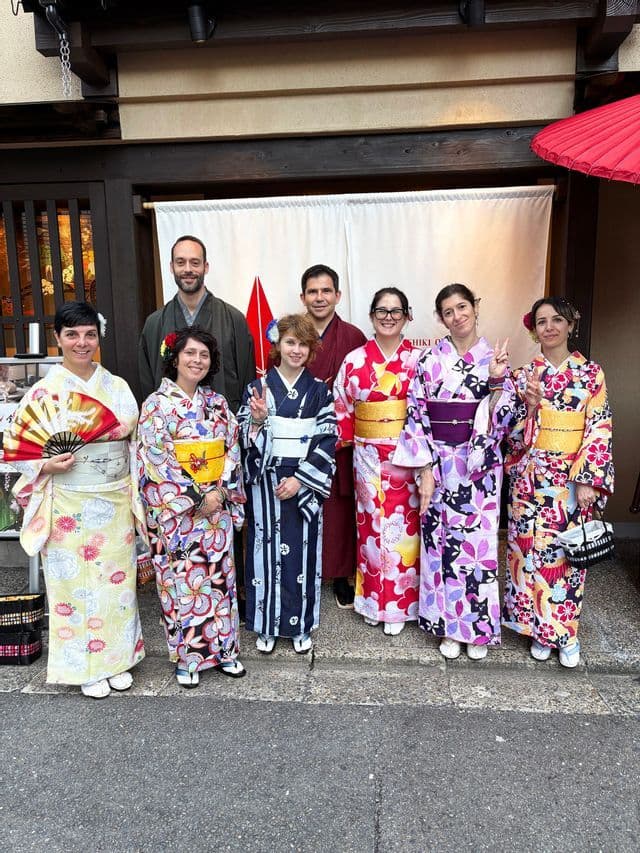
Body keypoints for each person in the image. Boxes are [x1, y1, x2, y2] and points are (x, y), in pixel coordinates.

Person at [7, 301, 145, 699]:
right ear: (58, 339)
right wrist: (46, 465)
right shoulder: (43, 392)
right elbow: (21, 449)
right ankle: (85, 665)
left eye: (89, 334)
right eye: (72, 335)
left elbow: (133, 445)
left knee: (117, 585)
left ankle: (118, 658)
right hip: (69, 502)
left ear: (98, 338)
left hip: (115, 497)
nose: (81, 343)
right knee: (76, 586)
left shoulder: (116, 387)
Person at [393, 283, 513, 660]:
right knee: (440, 545)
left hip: (478, 466)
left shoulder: (493, 357)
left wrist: (495, 381)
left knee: (476, 547)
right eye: (448, 311)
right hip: (439, 463)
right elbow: (416, 414)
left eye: (463, 307)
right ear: (440, 318)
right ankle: (447, 624)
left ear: (476, 308)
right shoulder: (430, 361)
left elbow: (506, 419)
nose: (457, 316)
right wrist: (425, 467)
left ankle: (475, 628)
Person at [502, 297, 614, 668]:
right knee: (527, 553)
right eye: (541, 321)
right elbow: (511, 432)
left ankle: (564, 634)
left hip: (569, 477)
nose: (548, 327)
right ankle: (535, 630)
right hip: (530, 476)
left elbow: (598, 426)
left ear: (570, 324)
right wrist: (530, 408)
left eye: (556, 320)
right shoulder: (523, 374)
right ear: (533, 330)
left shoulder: (590, 373)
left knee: (562, 557)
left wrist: (588, 480)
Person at [137, 327, 247, 687]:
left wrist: (220, 494)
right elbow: (155, 459)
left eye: (204, 355)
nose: (197, 360)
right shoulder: (156, 405)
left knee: (219, 581)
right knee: (182, 585)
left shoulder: (216, 404)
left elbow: (232, 451)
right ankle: (188, 658)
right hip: (179, 513)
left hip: (215, 510)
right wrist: (197, 497)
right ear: (175, 358)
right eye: (190, 354)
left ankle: (226, 651)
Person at [238, 313, 336, 655]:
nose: (296, 350)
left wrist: (300, 479)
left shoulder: (320, 391)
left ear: (311, 350)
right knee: (264, 552)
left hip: (303, 481)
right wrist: (259, 421)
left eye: (303, 344)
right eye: (290, 342)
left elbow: (326, 438)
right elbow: (243, 436)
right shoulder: (257, 388)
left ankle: (300, 624)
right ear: (277, 346)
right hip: (265, 480)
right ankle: (265, 625)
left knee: (303, 554)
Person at [333, 287, 421, 635]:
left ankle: (401, 606)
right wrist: (352, 440)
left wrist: (418, 450)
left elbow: (425, 410)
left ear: (406, 317)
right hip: (367, 455)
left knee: (404, 532)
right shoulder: (354, 360)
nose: (388, 317)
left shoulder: (418, 361)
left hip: (407, 456)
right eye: (381, 311)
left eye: (395, 311)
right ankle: (372, 601)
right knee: (369, 529)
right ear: (371, 316)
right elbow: (341, 405)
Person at [299, 264, 367, 608]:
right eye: (313, 291)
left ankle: (341, 575)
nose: (320, 297)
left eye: (326, 291)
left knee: (339, 506)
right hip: (299, 434)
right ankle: (304, 570)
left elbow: (366, 386)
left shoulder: (353, 337)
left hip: (340, 437)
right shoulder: (292, 334)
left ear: (338, 295)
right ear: (303, 297)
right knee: (302, 502)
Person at [138, 235, 256, 411]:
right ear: (171, 267)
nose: (187, 269)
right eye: (180, 262)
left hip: (222, 429)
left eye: (194, 263)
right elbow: (147, 386)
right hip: (170, 432)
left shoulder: (233, 319)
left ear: (205, 267)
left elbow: (247, 381)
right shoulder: (154, 324)